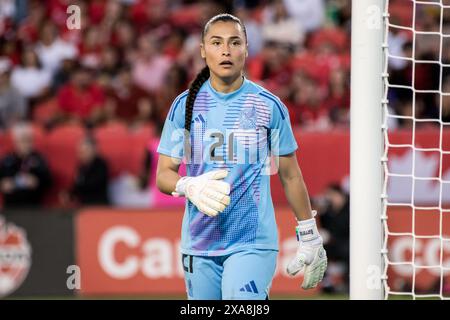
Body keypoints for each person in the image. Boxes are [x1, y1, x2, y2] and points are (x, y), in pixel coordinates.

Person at [156, 13, 327, 300]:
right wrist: (188, 185)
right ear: (202, 50)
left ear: (246, 49)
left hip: (252, 242)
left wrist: (309, 234)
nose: (226, 50)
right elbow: (164, 174)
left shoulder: (269, 106)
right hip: (199, 243)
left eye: (235, 42)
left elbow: (290, 174)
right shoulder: (183, 106)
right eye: (216, 42)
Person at [0, 122, 52, 208]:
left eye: (28, 140)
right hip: (10, 205)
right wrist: (3, 183)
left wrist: (37, 181)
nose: (25, 144)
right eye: (22, 140)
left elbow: (49, 180)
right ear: (15, 142)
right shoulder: (7, 159)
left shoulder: (39, 159)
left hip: (32, 205)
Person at [65, 136, 110, 206]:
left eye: (85, 151)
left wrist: (79, 186)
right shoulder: (81, 167)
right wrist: (69, 194)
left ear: (94, 150)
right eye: (80, 152)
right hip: (83, 204)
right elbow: (77, 184)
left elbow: (93, 185)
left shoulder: (101, 165)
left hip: (98, 205)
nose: (81, 154)